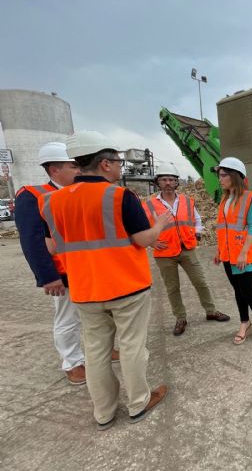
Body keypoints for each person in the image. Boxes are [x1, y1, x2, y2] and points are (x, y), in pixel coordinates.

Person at [38, 130, 172, 430]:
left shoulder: (52, 202)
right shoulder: (120, 196)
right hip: (126, 287)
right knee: (132, 346)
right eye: (117, 161)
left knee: (96, 353)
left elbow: (52, 247)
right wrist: (160, 224)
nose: (120, 167)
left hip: (85, 290)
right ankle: (139, 402)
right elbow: (143, 239)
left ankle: (104, 412)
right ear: (105, 164)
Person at [14, 142, 88, 385]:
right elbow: (32, 241)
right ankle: (73, 363)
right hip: (63, 271)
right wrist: (48, 276)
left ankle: (101, 351)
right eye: (73, 166)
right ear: (54, 169)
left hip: (88, 267)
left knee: (96, 316)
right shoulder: (33, 195)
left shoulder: (78, 192)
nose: (79, 170)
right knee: (68, 318)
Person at [142, 163, 229, 336]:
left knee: (200, 282)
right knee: (172, 287)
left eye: (171, 179)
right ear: (157, 182)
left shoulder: (187, 201)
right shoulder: (149, 205)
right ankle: (180, 318)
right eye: (164, 179)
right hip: (165, 253)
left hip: (187, 249)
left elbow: (197, 221)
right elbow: (141, 229)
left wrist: (195, 234)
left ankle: (211, 311)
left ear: (176, 182)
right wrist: (151, 243)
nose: (168, 182)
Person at [213, 157, 252, 345]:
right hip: (228, 254)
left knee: (248, 290)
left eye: (223, 175)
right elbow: (223, 228)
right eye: (219, 175)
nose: (220, 179)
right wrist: (219, 250)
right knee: (238, 290)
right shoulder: (225, 199)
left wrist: (243, 252)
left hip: (244, 255)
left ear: (234, 176)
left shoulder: (250, 198)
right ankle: (245, 323)